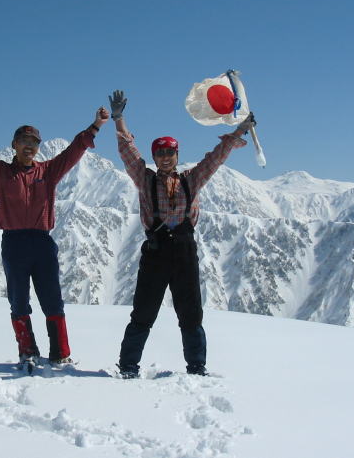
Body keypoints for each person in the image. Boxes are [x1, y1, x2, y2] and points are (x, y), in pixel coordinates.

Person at [0, 99, 110, 366]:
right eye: (24, 141)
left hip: (43, 243)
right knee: (19, 301)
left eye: (34, 142)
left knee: (53, 301)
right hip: (14, 244)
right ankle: (28, 352)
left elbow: (73, 151)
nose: (29, 146)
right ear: (14, 145)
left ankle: (60, 354)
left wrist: (95, 126)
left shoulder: (48, 171)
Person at [108, 90, 255, 378]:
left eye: (169, 153)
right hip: (156, 251)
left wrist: (241, 129)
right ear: (154, 157)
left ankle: (197, 367)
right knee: (143, 313)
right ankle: (128, 366)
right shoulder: (145, 179)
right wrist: (118, 118)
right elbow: (128, 152)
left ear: (177, 155)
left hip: (185, 252)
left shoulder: (192, 179)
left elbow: (216, 157)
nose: (165, 158)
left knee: (191, 314)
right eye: (160, 153)